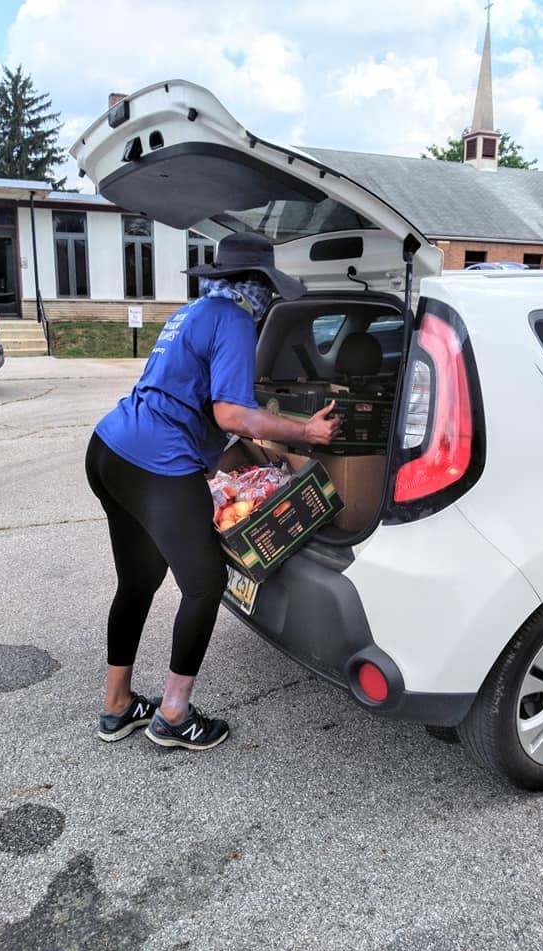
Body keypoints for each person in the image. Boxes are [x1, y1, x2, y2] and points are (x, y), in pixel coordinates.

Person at [85, 231, 341, 752]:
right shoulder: (235, 319)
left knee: (139, 580)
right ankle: (174, 716)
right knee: (203, 583)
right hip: (155, 461)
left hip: (110, 447)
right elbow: (231, 413)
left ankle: (117, 706)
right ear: (261, 285)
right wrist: (306, 433)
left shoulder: (196, 311)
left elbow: (191, 397)